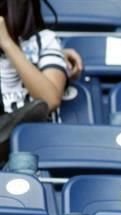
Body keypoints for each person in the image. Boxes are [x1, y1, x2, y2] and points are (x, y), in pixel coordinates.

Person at [0, 0, 70, 160]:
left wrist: (7, 44)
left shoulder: (44, 41)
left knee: (35, 112)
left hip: (35, 148)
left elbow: (49, 100)